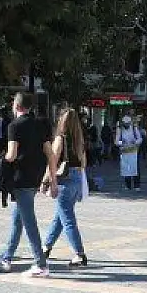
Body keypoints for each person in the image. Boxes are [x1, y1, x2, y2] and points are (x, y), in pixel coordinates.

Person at [0, 92, 53, 277]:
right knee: (18, 220)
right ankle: (6, 257)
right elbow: (49, 153)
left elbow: (12, 155)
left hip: (20, 178)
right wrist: (52, 180)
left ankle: (41, 264)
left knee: (29, 222)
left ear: (16, 106)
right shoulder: (40, 124)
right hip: (35, 178)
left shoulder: (14, 126)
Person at [41, 106, 89, 268]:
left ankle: (79, 254)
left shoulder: (61, 138)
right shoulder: (79, 139)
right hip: (77, 179)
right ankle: (46, 247)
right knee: (60, 216)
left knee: (67, 219)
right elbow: (84, 163)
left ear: (62, 121)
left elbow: (52, 161)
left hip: (65, 180)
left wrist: (46, 181)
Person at [116, 116, 143, 190]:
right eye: (125, 124)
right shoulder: (120, 130)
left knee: (135, 168)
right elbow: (116, 142)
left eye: (127, 124)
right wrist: (121, 142)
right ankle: (128, 185)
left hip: (134, 152)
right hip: (124, 152)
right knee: (126, 169)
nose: (126, 125)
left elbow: (140, 139)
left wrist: (135, 142)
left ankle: (137, 185)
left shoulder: (134, 129)